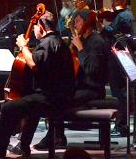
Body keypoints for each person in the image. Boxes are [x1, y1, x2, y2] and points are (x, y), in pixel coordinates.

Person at [0, 11, 75, 158]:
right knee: (30, 103)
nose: (33, 30)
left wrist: (23, 47)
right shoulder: (59, 42)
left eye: (34, 27)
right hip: (59, 96)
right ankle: (23, 146)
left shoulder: (47, 43)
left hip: (52, 99)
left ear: (41, 26)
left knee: (9, 108)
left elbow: (33, 64)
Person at [35, 9, 107, 150]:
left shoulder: (96, 41)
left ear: (87, 23)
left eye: (78, 21)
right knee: (57, 96)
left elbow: (92, 70)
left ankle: (56, 137)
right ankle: (58, 137)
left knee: (60, 100)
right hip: (80, 86)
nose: (74, 24)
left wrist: (80, 49)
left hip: (93, 89)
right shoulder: (83, 39)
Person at [100, 0, 136, 136]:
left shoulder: (123, 16)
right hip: (120, 56)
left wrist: (100, 26)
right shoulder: (122, 15)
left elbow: (111, 31)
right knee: (120, 91)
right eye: (113, 0)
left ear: (124, 1)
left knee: (120, 92)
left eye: (115, 0)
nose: (113, 3)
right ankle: (122, 125)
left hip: (119, 56)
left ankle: (122, 125)